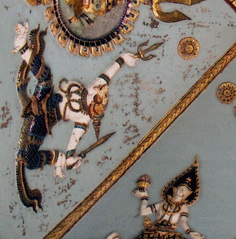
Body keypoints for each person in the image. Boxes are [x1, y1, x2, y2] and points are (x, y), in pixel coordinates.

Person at [12, 22, 159, 211]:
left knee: (30, 161)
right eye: (100, 95)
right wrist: (122, 59)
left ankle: (54, 158)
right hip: (45, 97)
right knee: (45, 75)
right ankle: (22, 47)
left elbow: (72, 146)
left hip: (45, 121)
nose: (98, 95)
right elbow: (107, 75)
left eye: (99, 99)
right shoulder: (90, 90)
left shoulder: (84, 119)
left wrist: (69, 160)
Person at [81, 159, 203, 239]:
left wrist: (191, 233)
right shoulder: (162, 204)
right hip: (152, 234)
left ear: (187, 196)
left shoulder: (183, 208)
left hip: (170, 235)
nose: (182, 191)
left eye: (185, 191)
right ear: (174, 189)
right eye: (181, 188)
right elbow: (144, 212)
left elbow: (183, 222)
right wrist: (144, 197)